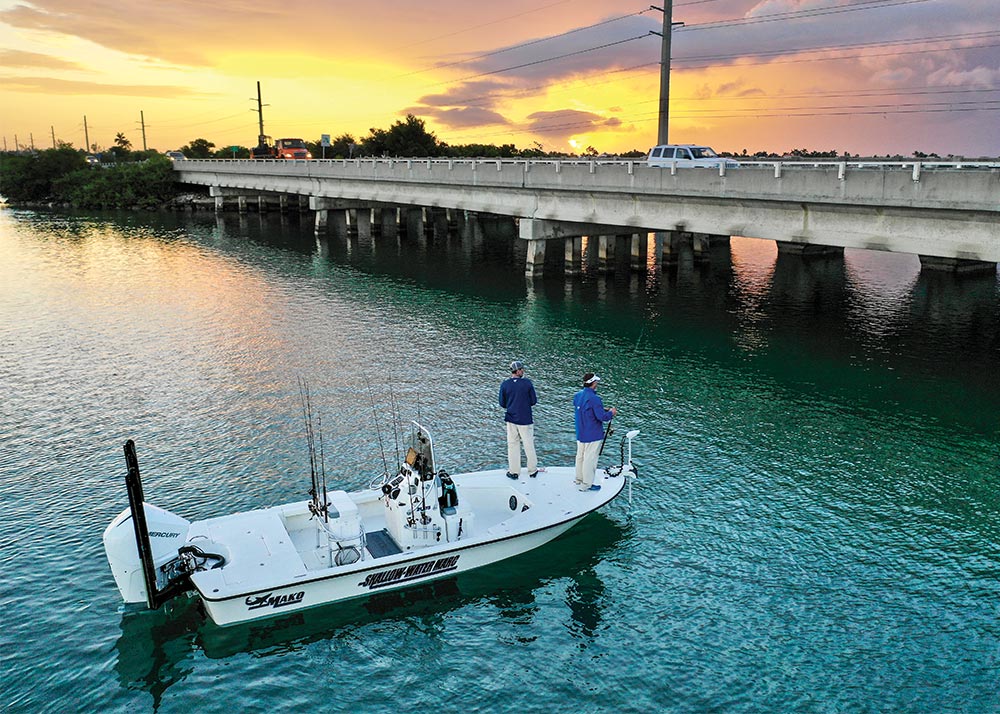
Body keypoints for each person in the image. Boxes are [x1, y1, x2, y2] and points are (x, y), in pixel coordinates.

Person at [573, 372, 617, 492]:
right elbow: (601, 417)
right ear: (593, 383)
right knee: (590, 459)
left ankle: (579, 479)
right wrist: (611, 413)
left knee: (580, 457)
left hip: (580, 432)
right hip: (592, 434)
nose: (597, 383)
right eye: (596, 381)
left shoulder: (577, 396)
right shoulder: (595, 399)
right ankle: (586, 484)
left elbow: (585, 409)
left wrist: (601, 409)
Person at [498, 360, 538, 480]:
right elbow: (533, 401)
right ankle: (532, 470)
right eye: (522, 369)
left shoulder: (505, 385)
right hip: (525, 419)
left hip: (511, 419)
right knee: (528, 444)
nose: (523, 371)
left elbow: (502, 403)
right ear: (518, 371)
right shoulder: (527, 384)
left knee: (513, 446)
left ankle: (514, 471)